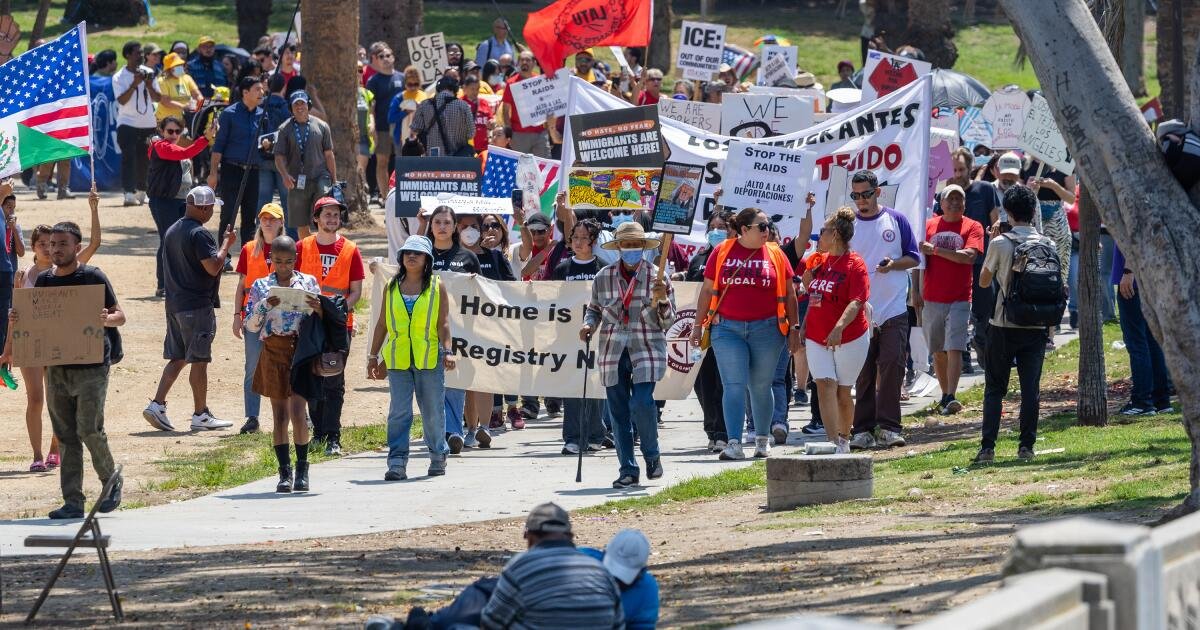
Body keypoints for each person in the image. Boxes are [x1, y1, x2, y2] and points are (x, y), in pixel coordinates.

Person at [1, 221, 125, 519]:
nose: (55, 249)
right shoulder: (44, 281)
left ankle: (111, 482)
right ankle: (73, 502)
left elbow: (120, 315)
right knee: (66, 433)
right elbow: (33, 324)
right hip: (56, 367)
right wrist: (18, 317)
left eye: (62, 244)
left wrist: (106, 318)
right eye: (52, 244)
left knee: (89, 429)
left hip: (91, 366)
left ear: (76, 247)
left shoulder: (92, 276)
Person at [688, 207, 801, 461]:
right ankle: (734, 443)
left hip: (768, 329)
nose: (767, 231)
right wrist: (697, 325)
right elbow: (707, 291)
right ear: (743, 229)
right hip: (727, 329)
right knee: (734, 385)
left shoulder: (776, 254)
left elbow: (790, 293)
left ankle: (762, 439)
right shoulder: (722, 251)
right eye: (761, 226)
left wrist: (794, 329)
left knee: (760, 386)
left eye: (768, 225)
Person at [5, 192, 101, 473]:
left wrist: (93, 208)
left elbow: (95, 243)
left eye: (51, 244)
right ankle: (36, 455)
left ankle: (54, 449)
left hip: (60, 342)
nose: (47, 248)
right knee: (35, 398)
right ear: (33, 247)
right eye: (41, 244)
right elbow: (16, 314)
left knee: (59, 400)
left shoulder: (67, 269)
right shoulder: (23, 276)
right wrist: (8, 348)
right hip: (32, 343)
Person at [580, 222, 676, 489]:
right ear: (619, 247)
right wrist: (588, 325)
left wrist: (663, 301)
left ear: (643, 247)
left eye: (636, 245)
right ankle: (627, 469)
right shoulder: (603, 277)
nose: (631, 249)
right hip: (613, 349)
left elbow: (669, 322)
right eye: (627, 245)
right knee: (618, 413)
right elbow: (594, 310)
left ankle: (652, 455)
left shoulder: (659, 277)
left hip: (646, 348)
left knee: (642, 403)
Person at [143, 186, 237, 432]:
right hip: (196, 306)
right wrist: (227, 244)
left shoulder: (173, 229)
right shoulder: (199, 233)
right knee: (199, 360)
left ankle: (157, 404)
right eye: (211, 209)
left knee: (179, 356)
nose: (211, 213)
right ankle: (200, 414)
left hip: (175, 305)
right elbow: (214, 267)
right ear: (204, 208)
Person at [975, 185, 1056, 463]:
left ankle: (987, 448)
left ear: (1007, 213)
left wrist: (994, 244)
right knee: (1030, 390)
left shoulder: (999, 243)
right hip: (1036, 324)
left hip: (1004, 323)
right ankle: (1026, 447)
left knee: (995, 388)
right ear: (1034, 212)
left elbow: (984, 282)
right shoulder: (1048, 244)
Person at [367, 235, 453, 480]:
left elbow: (443, 323)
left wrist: (448, 351)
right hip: (398, 360)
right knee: (399, 412)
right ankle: (396, 462)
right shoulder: (391, 287)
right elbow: (382, 324)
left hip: (429, 359)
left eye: (417, 253)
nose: (411, 256)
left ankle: (438, 455)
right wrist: (373, 356)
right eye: (407, 253)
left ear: (427, 259)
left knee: (433, 411)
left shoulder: (437, 286)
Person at [847, 170, 920, 450]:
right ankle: (862, 429)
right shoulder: (849, 223)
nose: (861, 200)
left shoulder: (896, 219)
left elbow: (913, 257)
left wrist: (892, 264)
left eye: (866, 194)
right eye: (856, 195)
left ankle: (889, 427)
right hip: (860, 310)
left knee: (892, 365)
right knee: (863, 372)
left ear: (878, 192)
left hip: (894, 309)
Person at [243, 235, 322, 493]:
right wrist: (265, 306)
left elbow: (320, 318)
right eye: (278, 261)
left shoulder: (307, 282)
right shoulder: (261, 286)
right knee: (280, 416)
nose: (284, 266)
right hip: (274, 350)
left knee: (299, 412)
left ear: (295, 259)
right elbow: (252, 325)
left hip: (300, 351)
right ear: (271, 260)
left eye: (289, 261)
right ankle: (284, 472)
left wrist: (317, 307)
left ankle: (302, 469)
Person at [481, 503, 625, 628]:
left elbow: (491, 623)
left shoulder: (521, 566)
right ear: (570, 536)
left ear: (529, 535)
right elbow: (618, 624)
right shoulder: (600, 570)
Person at [297, 197, 364, 455]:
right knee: (312, 378)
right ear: (316, 218)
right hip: (309, 323)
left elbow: (356, 291)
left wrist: (337, 311)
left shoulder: (350, 249)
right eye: (327, 214)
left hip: (339, 325)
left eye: (336, 215)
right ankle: (318, 433)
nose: (332, 219)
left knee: (334, 379)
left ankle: (333, 436)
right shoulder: (302, 247)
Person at [801, 209, 870, 454]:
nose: (819, 236)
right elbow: (815, 297)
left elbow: (857, 301)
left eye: (823, 231)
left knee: (842, 390)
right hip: (817, 335)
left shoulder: (855, 264)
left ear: (836, 234)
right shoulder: (819, 261)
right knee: (824, 384)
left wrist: (839, 327)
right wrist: (807, 321)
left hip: (850, 337)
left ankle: (843, 439)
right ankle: (832, 443)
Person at [421, 205, 480, 453]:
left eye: (447, 222)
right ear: (431, 226)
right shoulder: (421, 256)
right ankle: (438, 431)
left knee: (454, 379)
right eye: (438, 222)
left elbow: (481, 295)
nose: (442, 227)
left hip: (459, 329)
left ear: (455, 226)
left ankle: (453, 431)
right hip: (424, 328)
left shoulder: (467, 258)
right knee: (430, 385)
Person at [921, 184, 984, 414]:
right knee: (937, 349)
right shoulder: (927, 225)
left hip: (960, 297)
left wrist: (936, 250)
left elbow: (969, 257)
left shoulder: (972, 226)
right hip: (932, 296)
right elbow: (920, 261)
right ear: (942, 202)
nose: (955, 203)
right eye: (950, 199)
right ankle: (944, 395)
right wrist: (915, 294)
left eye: (959, 199)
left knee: (955, 346)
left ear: (965, 203)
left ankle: (951, 395)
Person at [233, 204, 287, 434]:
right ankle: (252, 418)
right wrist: (237, 316)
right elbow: (241, 287)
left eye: (272, 219)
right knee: (252, 368)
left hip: (283, 318)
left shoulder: (290, 248)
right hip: (254, 317)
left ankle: (296, 414)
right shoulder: (249, 249)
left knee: (286, 366)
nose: (267, 222)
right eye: (264, 218)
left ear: (281, 222)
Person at [555, 219, 607, 454]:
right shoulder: (562, 269)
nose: (577, 242)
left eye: (583, 238)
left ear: (593, 241)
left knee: (594, 388)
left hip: (597, 338)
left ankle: (596, 434)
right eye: (574, 237)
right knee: (572, 388)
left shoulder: (603, 269)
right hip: (568, 337)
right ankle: (573, 437)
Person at [148, 116, 212, 297]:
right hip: (164, 201)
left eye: (178, 131)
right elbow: (185, 154)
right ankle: (163, 285)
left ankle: (179, 282)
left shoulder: (176, 146)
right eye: (169, 131)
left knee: (183, 242)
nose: (174, 135)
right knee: (168, 241)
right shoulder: (159, 146)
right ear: (161, 131)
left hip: (182, 201)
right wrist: (206, 139)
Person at [687, 210, 733, 451]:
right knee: (702, 382)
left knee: (722, 382)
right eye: (712, 226)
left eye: (722, 226)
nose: (716, 231)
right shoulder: (698, 260)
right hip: (701, 330)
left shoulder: (733, 258)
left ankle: (724, 430)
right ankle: (712, 429)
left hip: (725, 327)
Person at [208, 76, 269, 247]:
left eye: (262, 89)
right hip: (231, 170)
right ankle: (222, 255)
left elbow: (267, 144)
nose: (261, 93)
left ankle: (247, 258)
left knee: (250, 216)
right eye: (257, 89)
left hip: (253, 171)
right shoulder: (229, 114)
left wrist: (267, 145)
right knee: (228, 214)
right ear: (245, 92)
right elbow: (218, 146)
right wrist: (213, 173)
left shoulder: (263, 114)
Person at [1113, 245, 1173, 416]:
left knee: (1137, 342)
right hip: (1151, 278)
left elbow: (1135, 238)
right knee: (1152, 341)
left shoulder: (1133, 216)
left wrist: (1128, 271)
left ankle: (1142, 401)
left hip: (1135, 279)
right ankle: (1161, 400)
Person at [274, 90, 336, 240]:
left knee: (325, 215)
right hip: (297, 181)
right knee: (301, 224)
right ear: (291, 108)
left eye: (302, 103)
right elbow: (279, 156)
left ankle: (326, 247)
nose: (299, 107)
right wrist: (284, 175)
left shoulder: (322, 126)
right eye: (296, 104)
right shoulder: (284, 129)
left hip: (321, 176)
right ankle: (308, 252)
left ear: (308, 105)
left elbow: (329, 154)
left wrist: (334, 179)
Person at [579, 529, 660, 630]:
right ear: (604, 553)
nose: (614, 583)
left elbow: (642, 625)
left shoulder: (646, 590)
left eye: (621, 580)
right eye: (611, 573)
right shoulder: (579, 561)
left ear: (640, 572)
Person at [113, 41, 162, 207]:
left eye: (142, 53)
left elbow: (157, 98)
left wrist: (148, 84)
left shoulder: (149, 72)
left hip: (147, 122)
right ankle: (128, 192)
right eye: (137, 53)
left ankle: (142, 191)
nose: (141, 56)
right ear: (127, 55)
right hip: (127, 123)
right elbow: (121, 100)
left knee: (145, 159)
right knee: (129, 158)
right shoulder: (119, 77)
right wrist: (134, 84)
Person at [366, 42, 405, 196]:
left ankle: (401, 194)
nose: (385, 59)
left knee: (402, 162)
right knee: (382, 162)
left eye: (388, 55)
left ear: (393, 57)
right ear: (377, 60)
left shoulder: (403, 78)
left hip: (401, 128)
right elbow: (371, 106)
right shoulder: (373, 81)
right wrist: (372, 126)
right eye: (381, 56)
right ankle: (385, 196)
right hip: (382, 128)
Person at [499, 51, 550, 157]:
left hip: (540, 134)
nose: (524, 62)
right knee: (520, 169)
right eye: (522, 60)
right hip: (519, 135)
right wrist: (510, 133)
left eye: (527, 60)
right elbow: (505, 110)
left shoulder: (541, 81)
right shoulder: (511, 83)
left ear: (534, 63)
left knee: (543, 167)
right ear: (518, 63)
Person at [409, 76, 473, 157]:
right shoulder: (464, 106)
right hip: (458, 157)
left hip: (433, 157)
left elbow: (414, 131)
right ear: (455, 90)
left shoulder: (424, 104)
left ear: (438, 89)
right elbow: (471, 133)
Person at [156, 52, 202, 124]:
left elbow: (197, 94)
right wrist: (184, 107)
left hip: (183, 120)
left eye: (180, 65)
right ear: (169, 69)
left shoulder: (187, 78)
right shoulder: (162, 81)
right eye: (176, 65)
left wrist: (200, 104)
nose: (180, 67)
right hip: (165, 121)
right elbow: (165, 101)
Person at [461, 75, 493, 153]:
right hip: (466, 148)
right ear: (465, 88)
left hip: (484, 148)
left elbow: (491, 119)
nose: (475, 92)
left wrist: (492, 122)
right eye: (472, 89)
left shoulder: (484, 103)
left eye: (477, 89)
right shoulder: (459, 103)